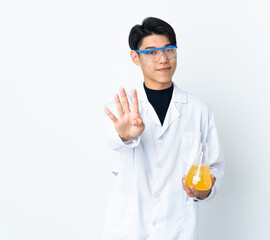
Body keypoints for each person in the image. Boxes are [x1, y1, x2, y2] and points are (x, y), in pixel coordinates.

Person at [102, 17, 225, 240]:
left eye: (169, 50)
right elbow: (111, 138)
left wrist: (204, 191)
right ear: (135, 57)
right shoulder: (124, 108)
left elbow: (214, 168)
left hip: (177, 228)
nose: (163, 59)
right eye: (151, 52)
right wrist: (125, 135)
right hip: (129, 228)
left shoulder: (199, 111)